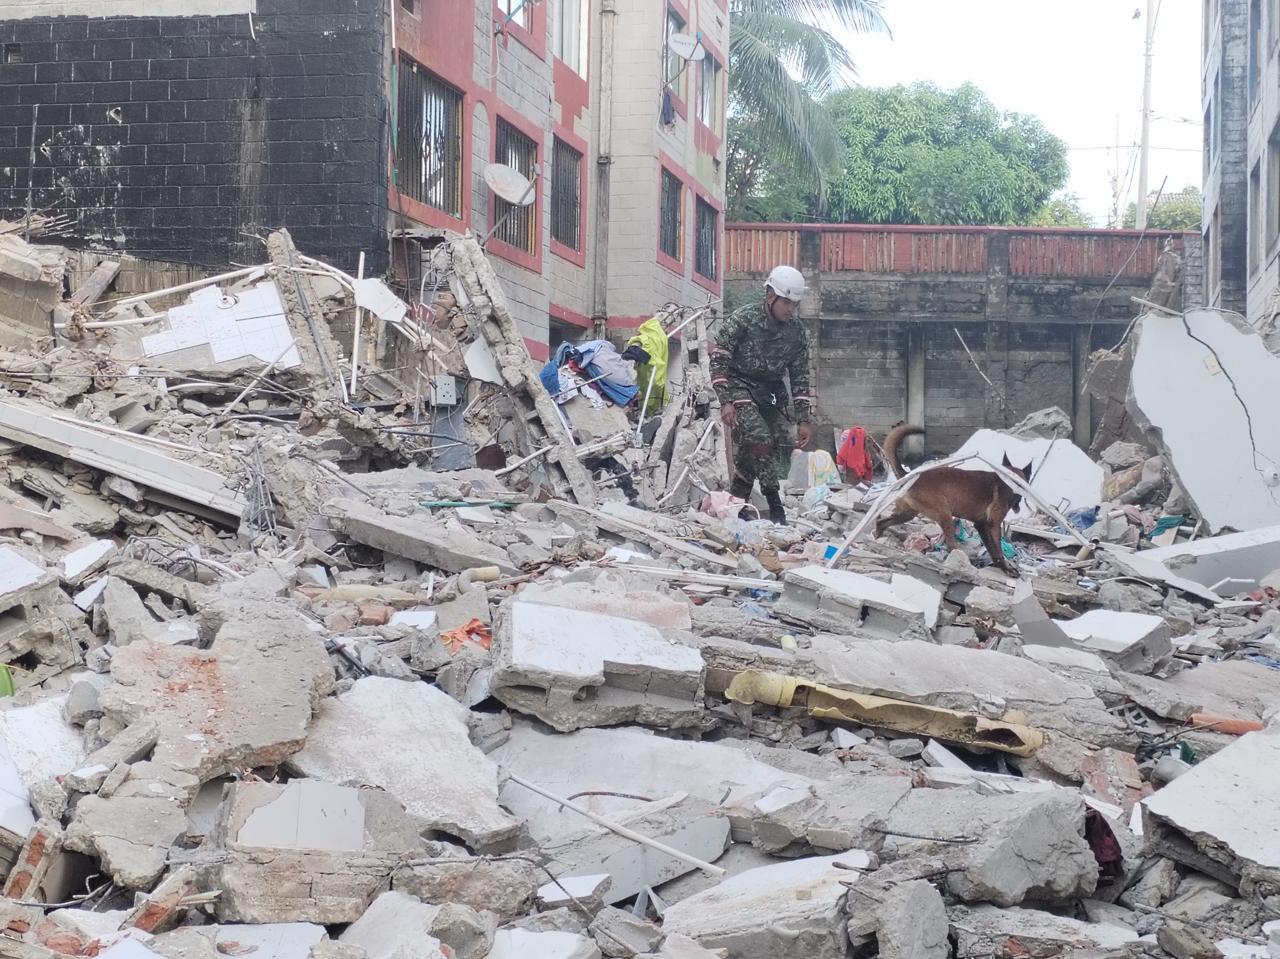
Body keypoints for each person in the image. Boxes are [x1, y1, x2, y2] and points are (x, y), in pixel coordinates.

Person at [710, 264, 813, 525]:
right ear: (771, 296)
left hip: (770, 392)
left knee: (768, 442)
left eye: (795, 304)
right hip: (739, 386)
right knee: (760, 439)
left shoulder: (796, 331)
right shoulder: (742, 320)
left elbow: (800, 375)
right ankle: (776, 506)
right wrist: (726, 401)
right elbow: (719, 360)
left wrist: (804, 419)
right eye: (787, 303)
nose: (791, 309)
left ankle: (736, 504)